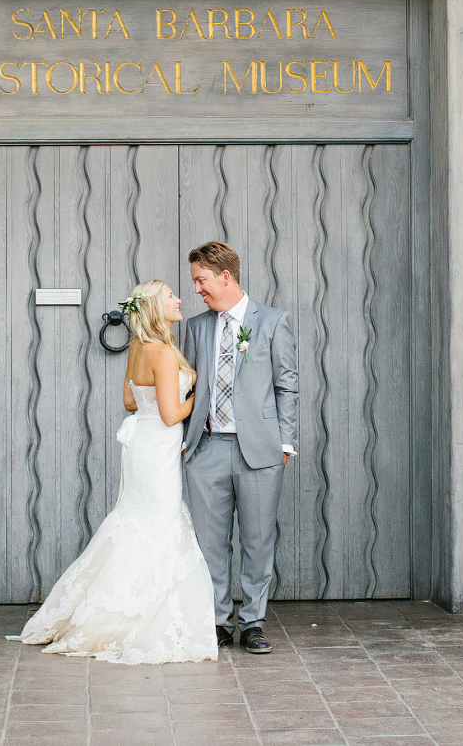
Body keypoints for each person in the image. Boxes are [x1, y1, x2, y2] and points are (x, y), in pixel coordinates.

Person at [10, 280, 217, 664]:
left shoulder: (140, 346)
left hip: (142, 445)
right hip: (158, 449)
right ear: (156, 307)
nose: (179, 299)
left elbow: (129, 400)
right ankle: (133, 614)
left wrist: (162, 403)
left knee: (136, 521)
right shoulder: (164, 354)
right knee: (158, 524)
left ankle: (110, 607)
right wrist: (198, 397)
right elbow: (172, 414)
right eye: (171, 296)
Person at [183, 241, 299, 654]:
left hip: (261, 452)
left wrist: (285, 442)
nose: (196, 289)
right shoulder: (197, 327)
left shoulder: (271, 321)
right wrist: (184, 443)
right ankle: (215, 622)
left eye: (201, 280)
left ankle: (252, 623)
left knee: (257, 541)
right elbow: (191, 388)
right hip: (207, 449)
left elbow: (287, 385)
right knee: (211, 543)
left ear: (225, 276)